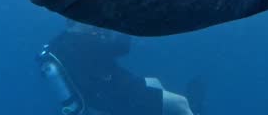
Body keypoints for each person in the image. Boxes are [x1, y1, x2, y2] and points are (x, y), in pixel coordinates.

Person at [36, 20, 200, 115]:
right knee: (181, 103)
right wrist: (118, 20)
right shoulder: (84, 42)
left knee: (155, 82)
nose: (93, 23)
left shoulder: (60, 43)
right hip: (117, 97)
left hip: (102, 93)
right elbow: (122, 47)